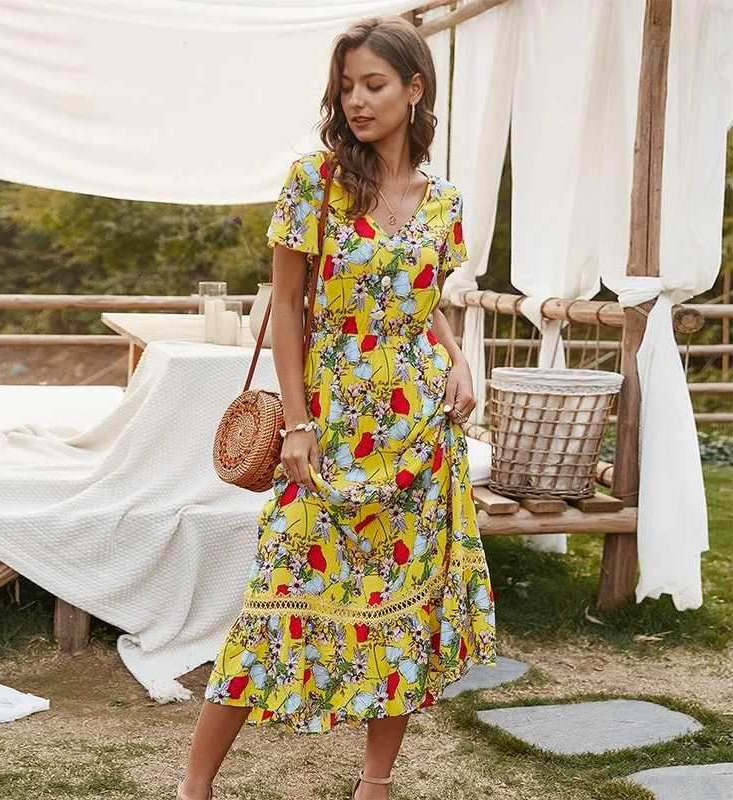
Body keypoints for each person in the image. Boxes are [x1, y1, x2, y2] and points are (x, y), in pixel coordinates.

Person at [177, 15, 495, 800]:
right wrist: (296, 422)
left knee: (404, 614)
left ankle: (374, 784)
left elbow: (420, 301)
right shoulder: (314, 182)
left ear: (414, 90)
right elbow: (287, 306)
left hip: (417, 432)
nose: (356, 99)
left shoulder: (445, 202)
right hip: (328, 427)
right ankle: (194, 785)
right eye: (347, 86)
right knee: (275, 595)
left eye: (373, 84)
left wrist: (458, 360)